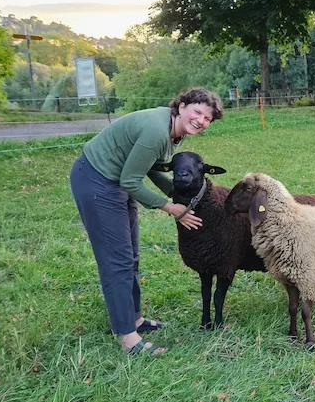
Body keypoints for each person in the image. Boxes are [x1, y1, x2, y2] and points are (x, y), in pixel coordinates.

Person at [69, 87, 224, 356]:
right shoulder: (156, 131)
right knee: (117, 261)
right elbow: (131, 180)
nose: (201, 120)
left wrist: (176, 194)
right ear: (182, 106)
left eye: (207, 118)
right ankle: (128, 338)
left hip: (116, 180)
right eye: (197, 112)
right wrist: (170, 206)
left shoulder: (175, 131)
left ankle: (134, 319)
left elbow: (149, 166)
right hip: (97, 181)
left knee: (131, 256)